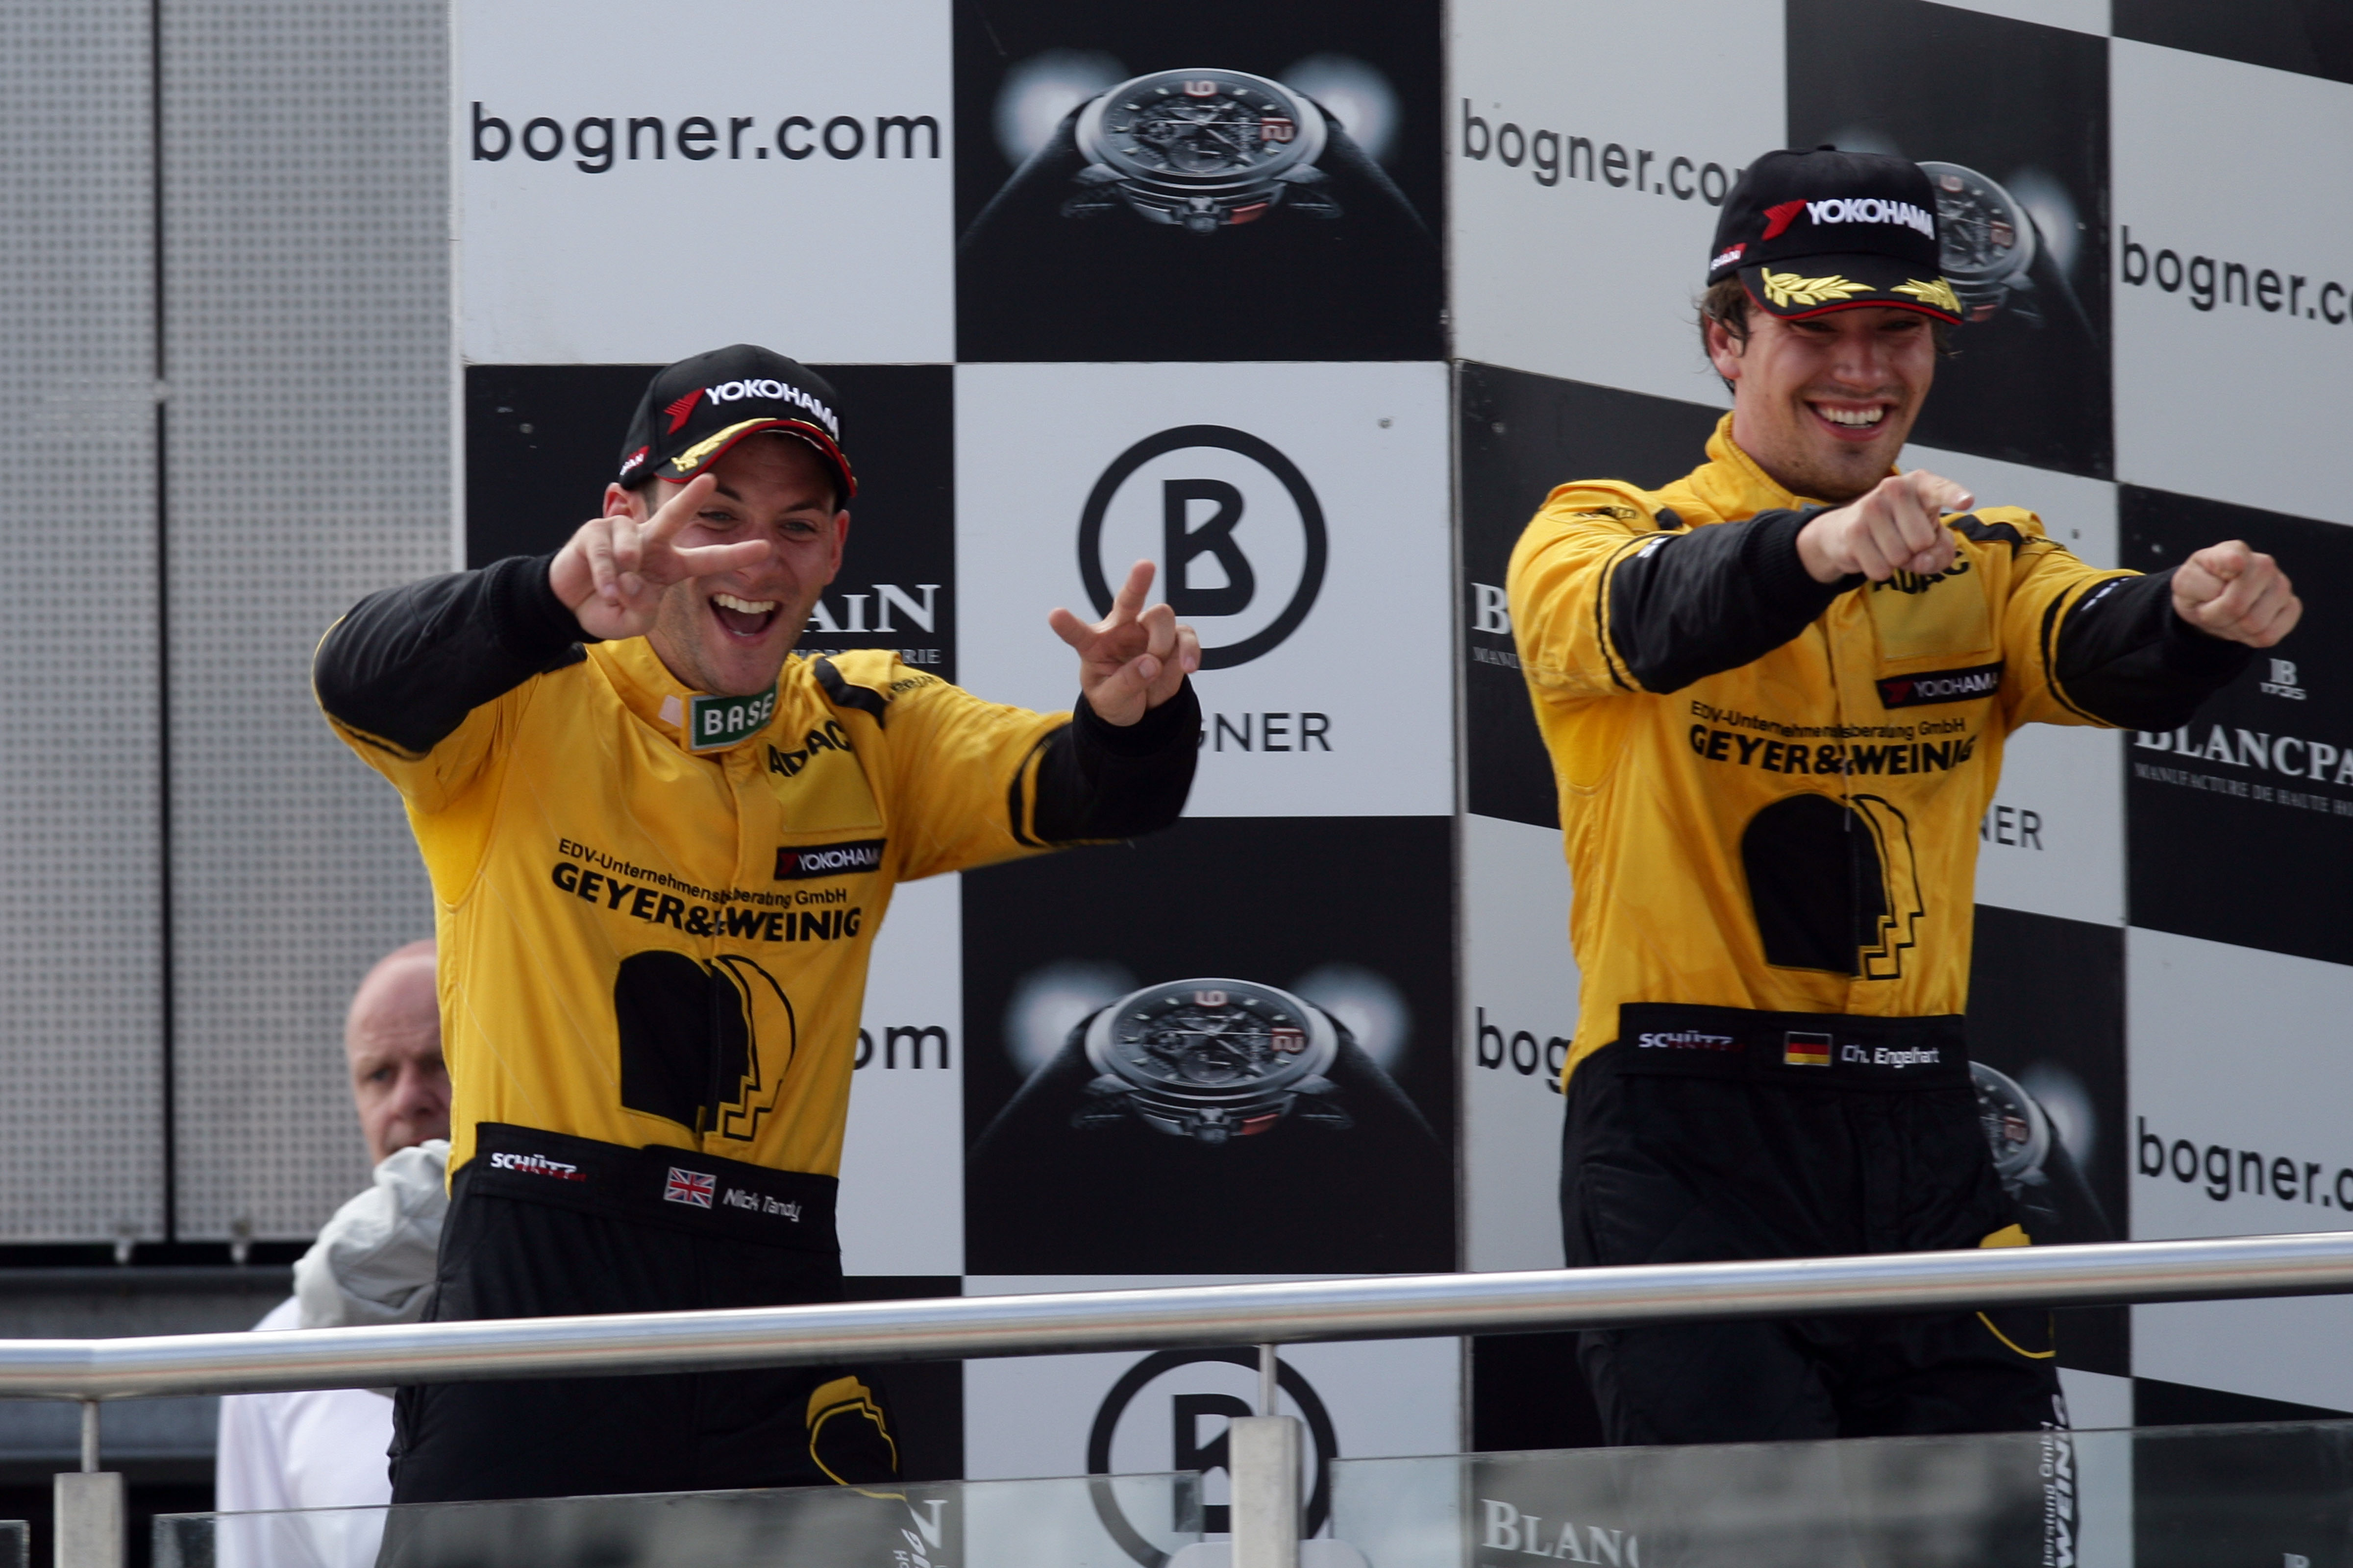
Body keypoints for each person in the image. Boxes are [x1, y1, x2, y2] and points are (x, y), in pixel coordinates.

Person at [312, 344, 1201, 1504]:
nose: (755, 558)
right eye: (714, 515)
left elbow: (1096, 790)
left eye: (796, 525)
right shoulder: (518, 707)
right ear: (627, 516)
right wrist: (545, 595)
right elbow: (355, 677)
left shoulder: (872, 725)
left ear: (834, 550)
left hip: (772, 1284)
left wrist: (1133, 719)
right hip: (539, 1276)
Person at [1507, 148, 2299, 1448]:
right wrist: (1814, 549)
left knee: (1988, 1527)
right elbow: (1644, 617)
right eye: (1816, 330)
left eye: (1898, 331)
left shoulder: (1983, 556)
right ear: (1724, 340)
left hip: (1922, 1121)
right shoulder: (1597, 526)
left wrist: (2194, 616)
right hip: (1682, 1121)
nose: (1863, 370)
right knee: (1757, 1537)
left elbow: (2098, 638)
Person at [216, 940, 450, 1543]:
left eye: (440, 1061)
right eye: (380, 1074)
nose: (407, 1099)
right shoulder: (276, 1360)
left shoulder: (601, 1311)